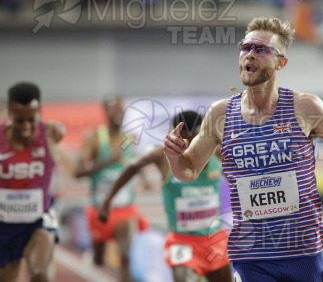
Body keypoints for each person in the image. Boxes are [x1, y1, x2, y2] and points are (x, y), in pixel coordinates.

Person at [163, 17, 323, 282]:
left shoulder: (305, 108)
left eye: (260, 49)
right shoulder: (220, 115)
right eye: (245, 47)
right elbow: (188, 169)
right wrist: (173, 156)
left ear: (280, 62)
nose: (249, 54)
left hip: (302, 250)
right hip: (251, 256)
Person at [98, 110, 232, 282]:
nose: (187, 144)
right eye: (182, 139)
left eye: (193, 138)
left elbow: (235, 175)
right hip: (182, 241)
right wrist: (107, 201)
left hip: (214, 240)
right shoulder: (161, 155)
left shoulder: (215, 151)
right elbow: (132, 167)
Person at [75, 95, 148, 282]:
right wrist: (107, 161)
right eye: (113, 110)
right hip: (101, 210)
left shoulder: (129, 139)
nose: (118, 114)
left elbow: (133, 163)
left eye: (121, 110)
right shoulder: (94, 138)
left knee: (125, 256)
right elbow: (79, 172)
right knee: (99, 260)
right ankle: (93, 257)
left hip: (125, 209)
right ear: (105, 112)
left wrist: (145, 177)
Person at [0, 81, 65, 282]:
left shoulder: (51, 133)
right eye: (20, 121)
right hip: (4, 224)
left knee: (39, 273)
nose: (27, 127)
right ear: (9, 112)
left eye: (31, 119)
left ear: (40, 111)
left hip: (39, 219)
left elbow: (71, 166)